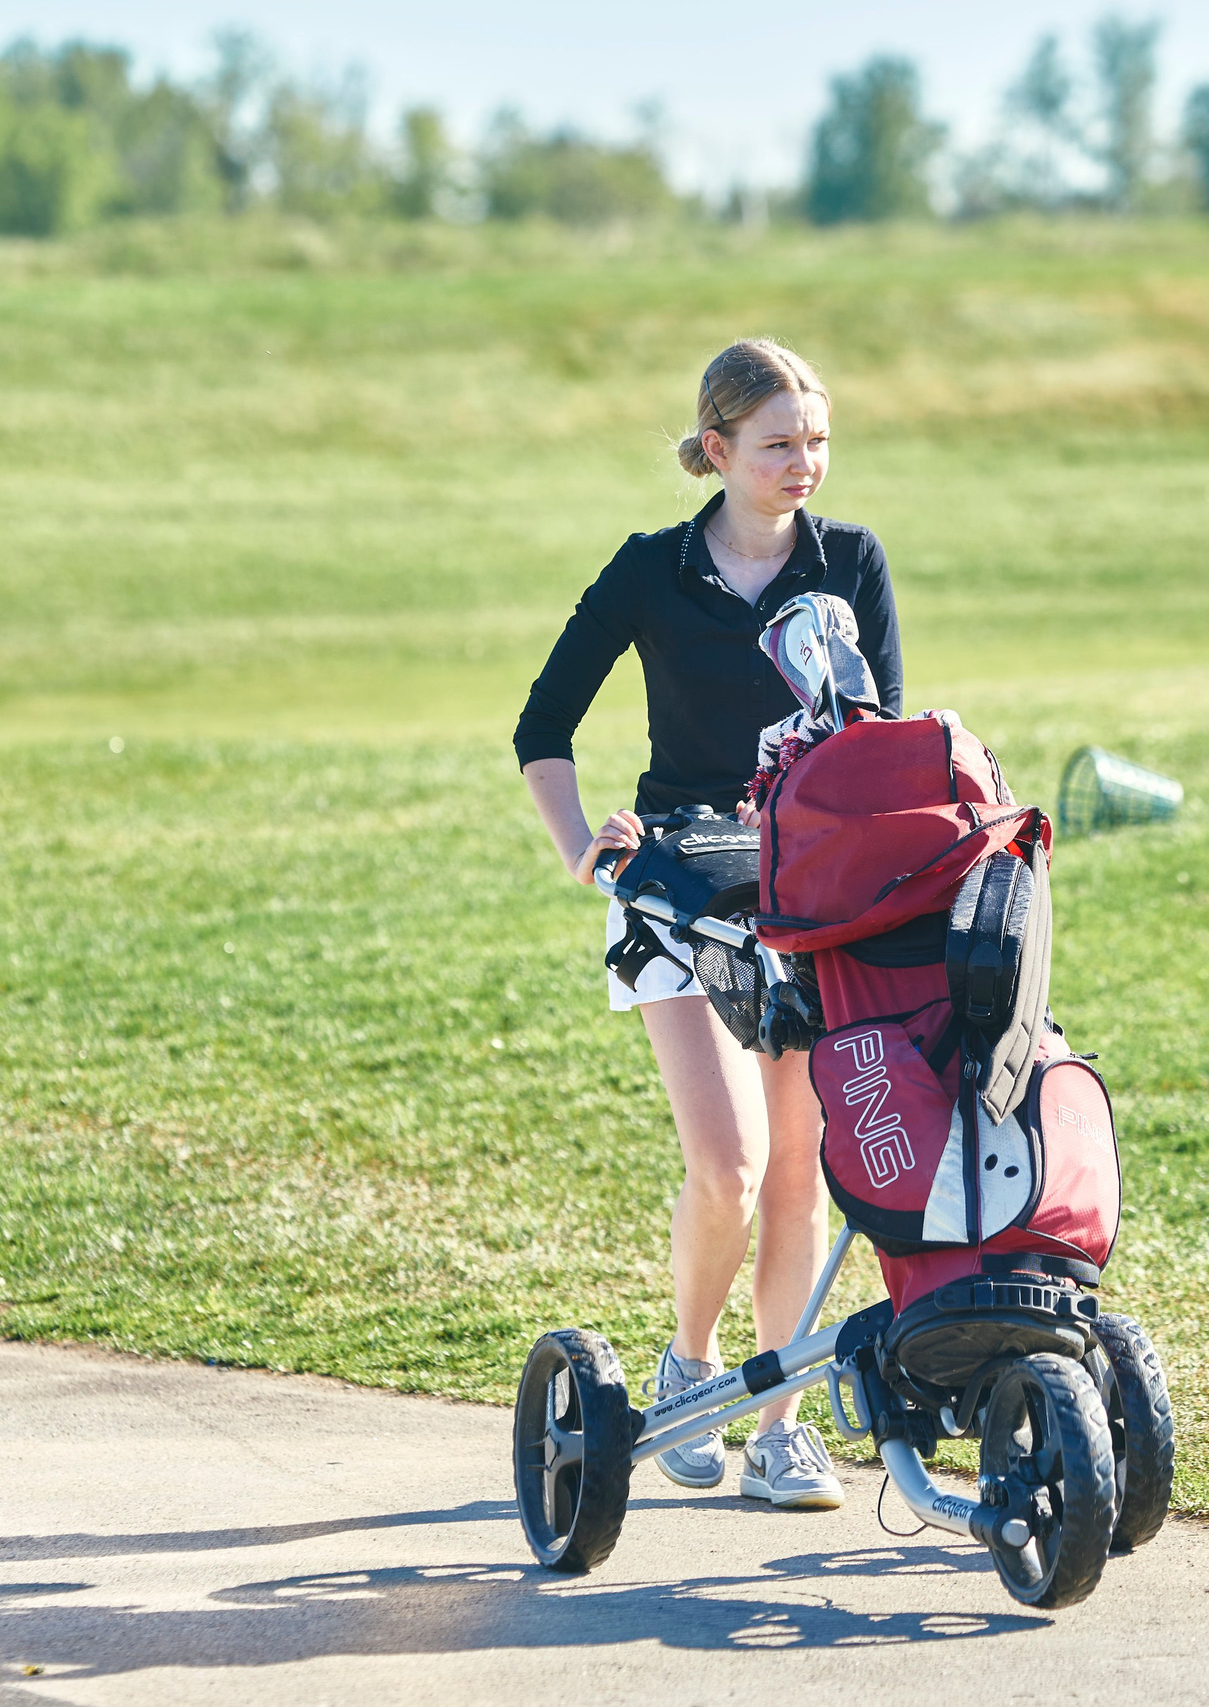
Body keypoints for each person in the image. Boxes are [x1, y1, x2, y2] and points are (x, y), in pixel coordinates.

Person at [514, 339, 902, 1510]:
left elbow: (874, 739)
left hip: (807, 893)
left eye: (818, 441)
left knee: (802, 1174)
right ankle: (689, 1363)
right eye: (781, 443)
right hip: (680, 892)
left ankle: (778, 1429)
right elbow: (543, 723)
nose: (806, 464)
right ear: (718, 449)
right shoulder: (648, 570)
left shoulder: (852, 565)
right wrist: (582, 846)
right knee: (727, 1165)